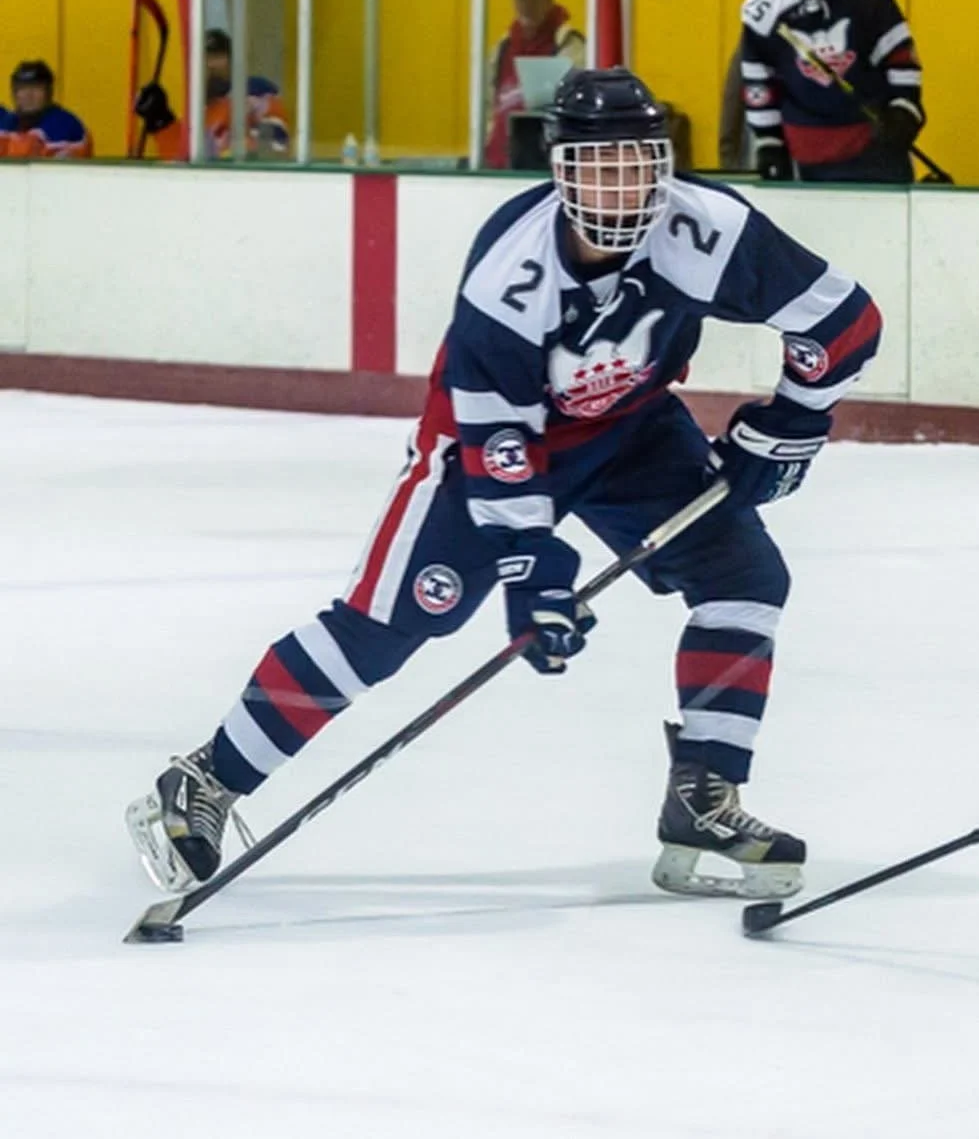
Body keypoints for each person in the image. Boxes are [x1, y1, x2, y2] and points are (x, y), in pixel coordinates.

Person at [127, 67, 882, 902]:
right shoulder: (508, 272)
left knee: (744, 578)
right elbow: (494, 435)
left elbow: (843, 319)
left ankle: (704, 795)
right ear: (559, 170)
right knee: (388, 624)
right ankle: (205, 781)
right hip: (484, 446)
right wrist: (528, 558)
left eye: (638, 163)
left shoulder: (707, 230)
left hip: (630, 432)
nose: (623, 187)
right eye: (599, 166)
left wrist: (793, 422)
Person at [740, 0, 924, 183]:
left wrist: (904, 109)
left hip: (874, 144)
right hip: (806, 153)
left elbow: (899, 56)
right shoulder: (761, 13)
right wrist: (769, 143)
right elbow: (759, 85)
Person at [133, 28, 290, 161]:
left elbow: (275, 147)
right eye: (204, 58)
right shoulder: (199, 112)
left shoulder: (256, 90)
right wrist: (161, 121)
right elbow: (178, 163)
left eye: (217, 57)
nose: (210, 65)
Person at [485, 0, 585, 170]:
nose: (527, 5)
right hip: (500, 154)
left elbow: (573, 96)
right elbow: (488, 100)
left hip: (544, 155)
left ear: (549, 2)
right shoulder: (503, 46)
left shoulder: (568, 44)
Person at [0, 61, 93, 158]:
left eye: (36, 88)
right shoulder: (8, 121)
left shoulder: (64, 124)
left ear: (49, 93)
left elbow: (49, 170)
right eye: (22, 89)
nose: (28, 95)